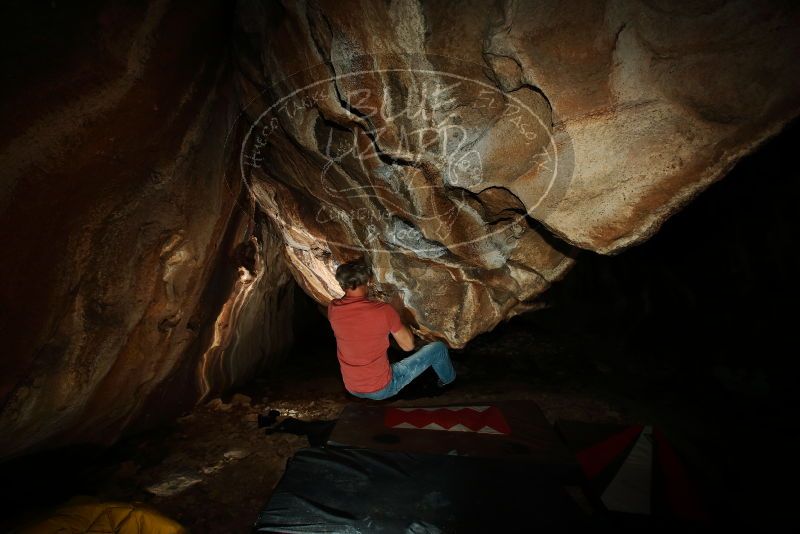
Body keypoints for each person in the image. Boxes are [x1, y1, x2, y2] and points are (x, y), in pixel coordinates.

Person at [327, 259, 456, 400]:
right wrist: (398, 312)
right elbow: (408, 346)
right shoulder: (383, 311)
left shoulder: (333, 308)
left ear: (342, 284)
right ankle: (448, 381)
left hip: (352, 386)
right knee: (438, 348)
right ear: (367, 281)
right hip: (381, 389)